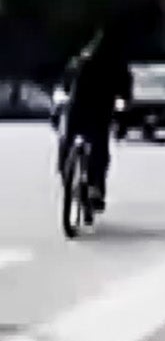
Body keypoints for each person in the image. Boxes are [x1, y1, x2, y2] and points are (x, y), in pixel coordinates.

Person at [59, 27, 133, 212]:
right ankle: (94, 188)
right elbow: (125, 96)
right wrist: (122, 121)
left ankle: (68, 174)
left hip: (77, 109)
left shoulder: (81, 60)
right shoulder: (118, 65)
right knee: (99, 147)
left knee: (67, 143)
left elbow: (65, 86)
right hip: (100, 110)